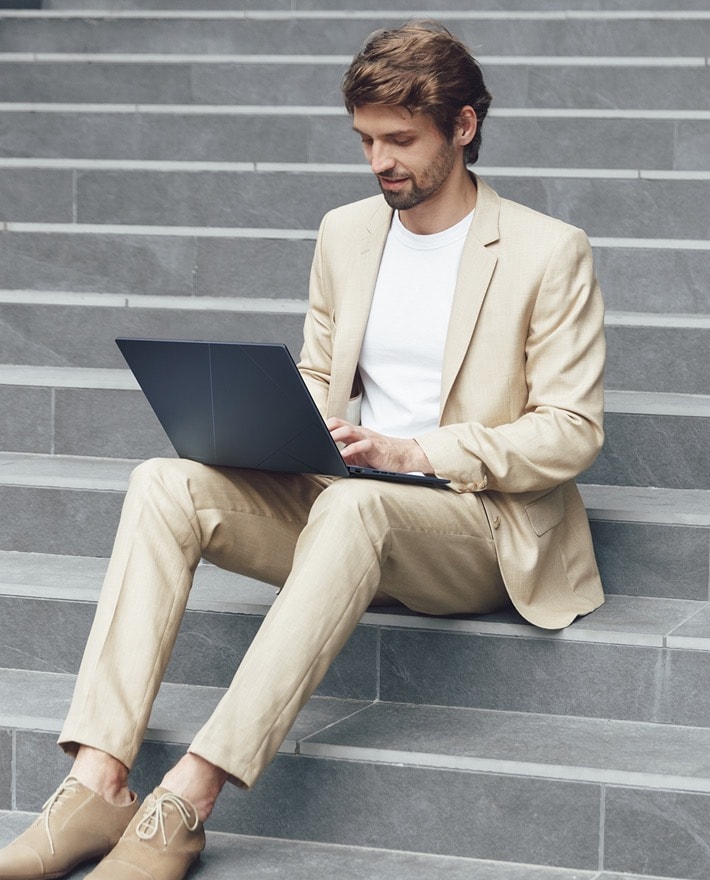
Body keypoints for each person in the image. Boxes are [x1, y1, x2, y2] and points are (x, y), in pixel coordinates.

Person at [0, 19, 605, 880]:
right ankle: (97, 780)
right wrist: (275, 427)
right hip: (349, 501)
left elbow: (572, 430)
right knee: (166, 482)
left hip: (475, 527)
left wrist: (412, 452)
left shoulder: (549, 252)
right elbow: (323, 375)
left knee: (356, 501)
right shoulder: (346, 233)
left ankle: (187, 798)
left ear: (464, 126)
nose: (379, 161)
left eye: (401, 139)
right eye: (364, 140)